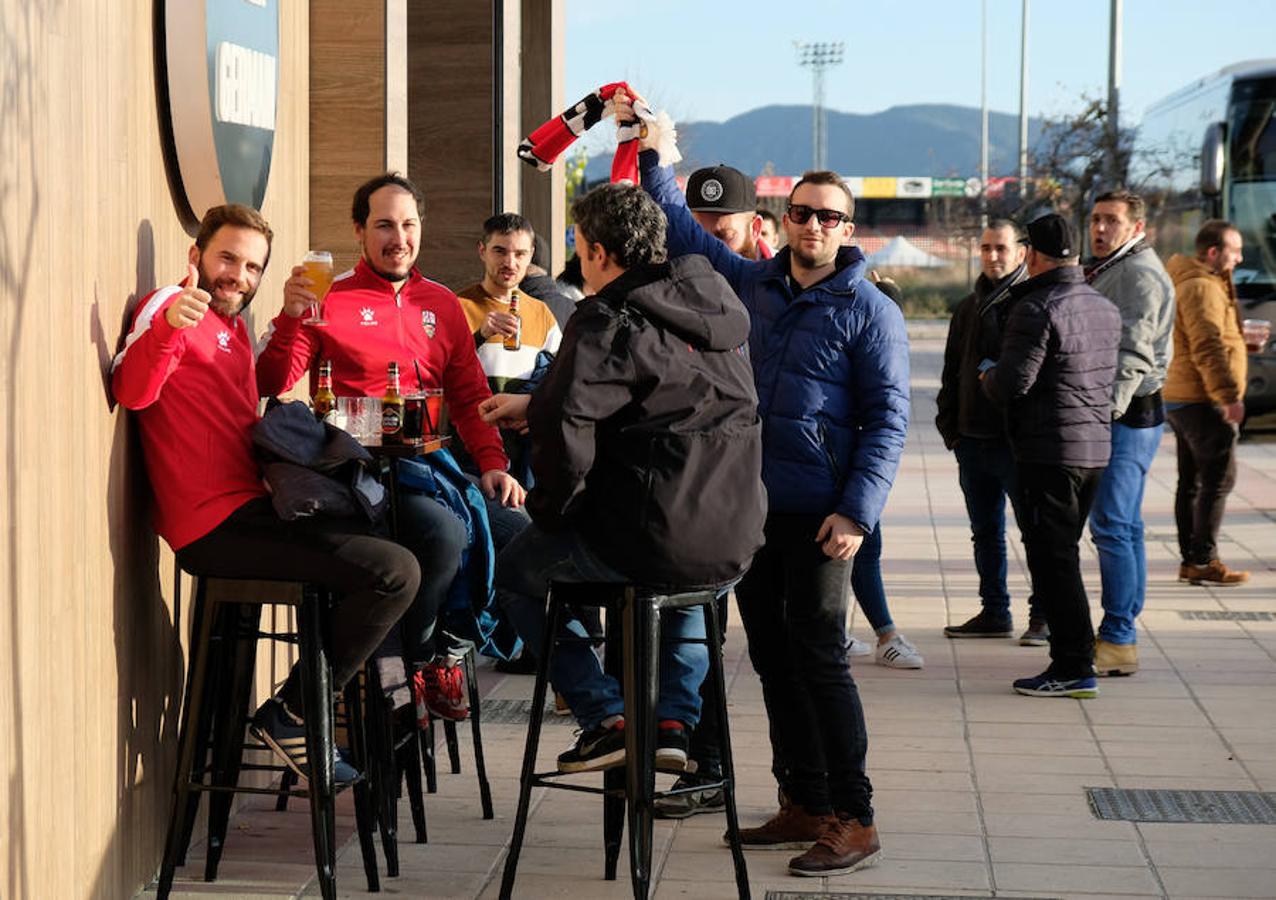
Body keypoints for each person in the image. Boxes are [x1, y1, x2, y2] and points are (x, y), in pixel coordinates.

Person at [621, 86, 907, 877]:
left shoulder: (867, 309)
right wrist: (655, 156)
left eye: (829, 216)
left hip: (825, 517)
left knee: (820, 657)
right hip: (755, 511)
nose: (813, 225)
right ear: (783, 219)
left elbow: (889, 419)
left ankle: (855, 815)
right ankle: (804, 801)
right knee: (774, 660)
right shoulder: (753, 285)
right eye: (802, 212)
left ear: (850, 230)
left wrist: (858, 511)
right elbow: (682, 232)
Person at [112, 204, 420, 780]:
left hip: (257, 508)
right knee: (394, 571)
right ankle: (297, 714)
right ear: (196, 255)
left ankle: (388, 704)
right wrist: (168, 327)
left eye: (252, 266)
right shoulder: (171, 306)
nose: (238, 275)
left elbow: (267, 384)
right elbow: (132, 392)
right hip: (213, 526)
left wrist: (290, 318)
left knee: (395, 529)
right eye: (227, 258)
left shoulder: (229, 325)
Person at [479, 182, 766, 775]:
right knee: (691, 577)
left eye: (580, 247)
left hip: (644, 536)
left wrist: (554, 510)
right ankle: (672, 723)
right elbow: (661, 402)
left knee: (516, 569)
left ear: (600, 253)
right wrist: (532, 407)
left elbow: (568, 429)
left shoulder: (607, 317)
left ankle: (605, 716)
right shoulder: (716, 304)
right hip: (733, 535)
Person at [256, 172, 525, 722]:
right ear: (359, 231)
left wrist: (495, 464)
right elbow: (273, 377)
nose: (398, 237)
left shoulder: (443, 303)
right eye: (383, 225)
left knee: (516, 533)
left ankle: (443, 649)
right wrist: (289, 316)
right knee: (443, 534)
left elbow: (471, 393)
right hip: (353, 472)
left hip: (426, 463)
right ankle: (412, 666)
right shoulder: (330, 296)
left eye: (408, 224)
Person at [981, 213, 1121, 699]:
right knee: (1063, 556)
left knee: (1053, 562)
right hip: (1094, 451)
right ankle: (1075, 658)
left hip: (1048, 451)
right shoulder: (1102, 305)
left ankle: (1072, 665)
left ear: (1032, 256)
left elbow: (1014, 382)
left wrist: (987, 377)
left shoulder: (1036, 307)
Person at [937, 219, 1047, 645]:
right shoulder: (968, 306)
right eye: (985, 248)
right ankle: (994, 609)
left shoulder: (1032, 303)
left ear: (1022, 252)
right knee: (984, 531)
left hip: (1016, 444)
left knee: (1034, 532)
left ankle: (1042, 615)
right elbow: (951, 372)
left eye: (1000, 248)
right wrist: (951, 427)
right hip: (972, 439)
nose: (992, 256)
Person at [1084, 189, 1176, 677]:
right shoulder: (1111, 265)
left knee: (1112, 526)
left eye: (1112, 221)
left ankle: (1119, 636)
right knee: (1127, 525)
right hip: (1126, 413)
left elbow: (1133, 356)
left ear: (1136, 228)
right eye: (1096, 219)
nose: (1100, 229)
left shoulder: (1139, 274)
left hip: (1126, 414)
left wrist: (1101, 415)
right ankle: (1124, 627)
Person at [1164, 220, 1251, 586]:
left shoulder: (1196, 282)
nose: (1240, 258)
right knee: (1218, 479)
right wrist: (1228, 397)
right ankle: (1202, 559)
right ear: (1213, 253)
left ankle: (1192, 560)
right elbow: (1207, 346)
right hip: (1201, 398)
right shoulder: (1202, 287)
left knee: (1192, 481)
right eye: (1235, 251)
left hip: (1182, 396)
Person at [456, 213, 563, 485]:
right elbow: (436, 369)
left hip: (527, 455)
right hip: (468, 449)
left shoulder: (542, 313)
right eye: (499, 251)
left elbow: (562, 378)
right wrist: (479, 335)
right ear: (482, 251)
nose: (510, 262)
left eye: (520, 253)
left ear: (531, 256)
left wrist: (537, 408)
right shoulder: (457, 306)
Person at [685, 164, 772, 260]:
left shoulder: (785, 272)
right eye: (696, 235)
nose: (707, 248)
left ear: (755, 228)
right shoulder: (673, 269)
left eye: (723, 236)